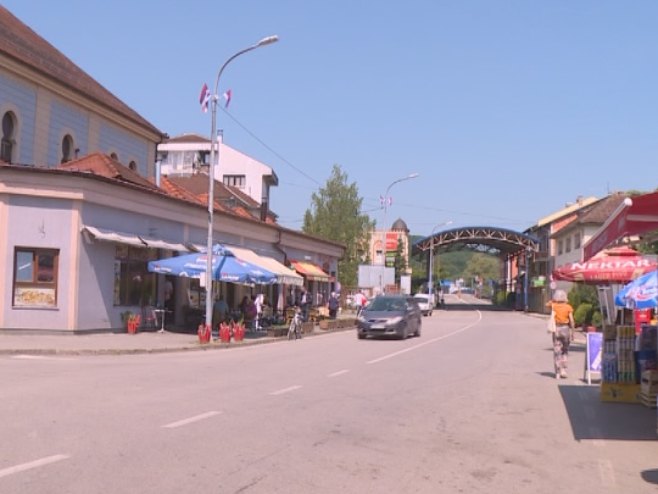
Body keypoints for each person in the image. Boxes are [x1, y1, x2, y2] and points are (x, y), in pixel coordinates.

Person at [546, 289, 575, 379]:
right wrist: (572, 332)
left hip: (557, 329)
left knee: (557, 350)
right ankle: (563, 370)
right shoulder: (568, 307)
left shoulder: (554, 306)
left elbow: (546, 304)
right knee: (565, 350)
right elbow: (572, 321)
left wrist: (554, 301)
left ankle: (557, 372)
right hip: (565, 329)